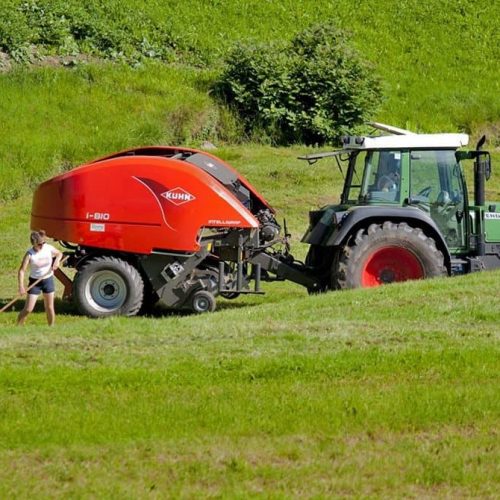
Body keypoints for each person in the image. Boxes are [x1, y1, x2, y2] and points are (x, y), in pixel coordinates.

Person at [17, 230, 63, 326]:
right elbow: (21, 271)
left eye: (43, 243)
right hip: (35, 282)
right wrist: (21, 286)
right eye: (39, 244)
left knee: (49, 307)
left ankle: (51, 328)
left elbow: (59, 253)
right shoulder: (30, 254)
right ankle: (18, 326)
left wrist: (57, 261)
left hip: (48, 280)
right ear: (34, 244)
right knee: (28, 309)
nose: (42, 245)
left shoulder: (48, 248)